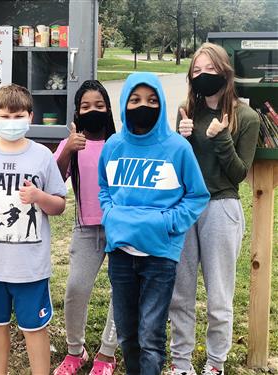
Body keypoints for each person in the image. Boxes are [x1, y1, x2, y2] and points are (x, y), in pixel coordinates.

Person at [98, 72, 210, 375]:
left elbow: (197, 195)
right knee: (127, 334)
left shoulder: (177, 148)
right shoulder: (113, 146)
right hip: (121, 254)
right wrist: (110, 215)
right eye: (135, 100)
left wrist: (168, 223)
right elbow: (104, 188)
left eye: (151, 100)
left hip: (160, 256)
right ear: (124, 103)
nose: (143, 106)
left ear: (161, 103)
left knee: (151, 336)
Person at [168, 43, 260, 375]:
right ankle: (181, 362)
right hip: (185, 208)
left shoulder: (246, 117)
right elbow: (174, 168)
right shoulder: (185, 111)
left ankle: (215, 364)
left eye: (210, 69)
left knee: (219, 296)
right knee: (181, 292)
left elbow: (238, 174)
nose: (203, 76)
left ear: (224, 71)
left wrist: (220, 138)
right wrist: (181, 139)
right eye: (197, 71)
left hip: (221, 207)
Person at [0, 84, 67, 374]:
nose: (11, 122)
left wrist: (39, 197)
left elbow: (59, 204)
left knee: (34, 329)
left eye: (18, 115)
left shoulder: (42, 157)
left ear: (30, 117)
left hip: (29, 267)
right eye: (5, 116)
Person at [53, 80, 118, 375]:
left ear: (108, 109)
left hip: (122, 230)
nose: (93, 110)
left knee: (122, 292)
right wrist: (68, 150)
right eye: (86, 106)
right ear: (77, 112)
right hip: (86, 229)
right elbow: (53, 182)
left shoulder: (121, 142)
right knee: (76, 289)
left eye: (99, 105)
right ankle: (74, 351)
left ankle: (107, 353)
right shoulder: (72, 143)